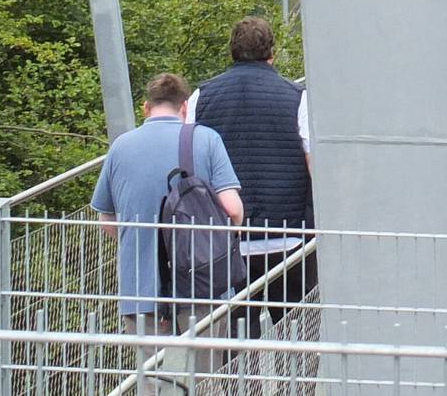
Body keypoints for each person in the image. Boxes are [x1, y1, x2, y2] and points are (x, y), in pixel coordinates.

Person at [92, 73, 242, 334]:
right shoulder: (207, 139)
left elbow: (106, 219)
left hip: (140, 290)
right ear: (184, 106)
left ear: (146, 107)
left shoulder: (120, 147)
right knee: (205, 361)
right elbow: (233, 209)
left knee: (151, 362)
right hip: (203, 285)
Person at [186, 18, 313, 318]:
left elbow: (189, 163)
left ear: (232, 51)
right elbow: (313, 165)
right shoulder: (298, 97)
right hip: (288, 236)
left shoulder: (200, 97)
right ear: (272, 53)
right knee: (297, 328)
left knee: (237, 333)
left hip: (226, 242)